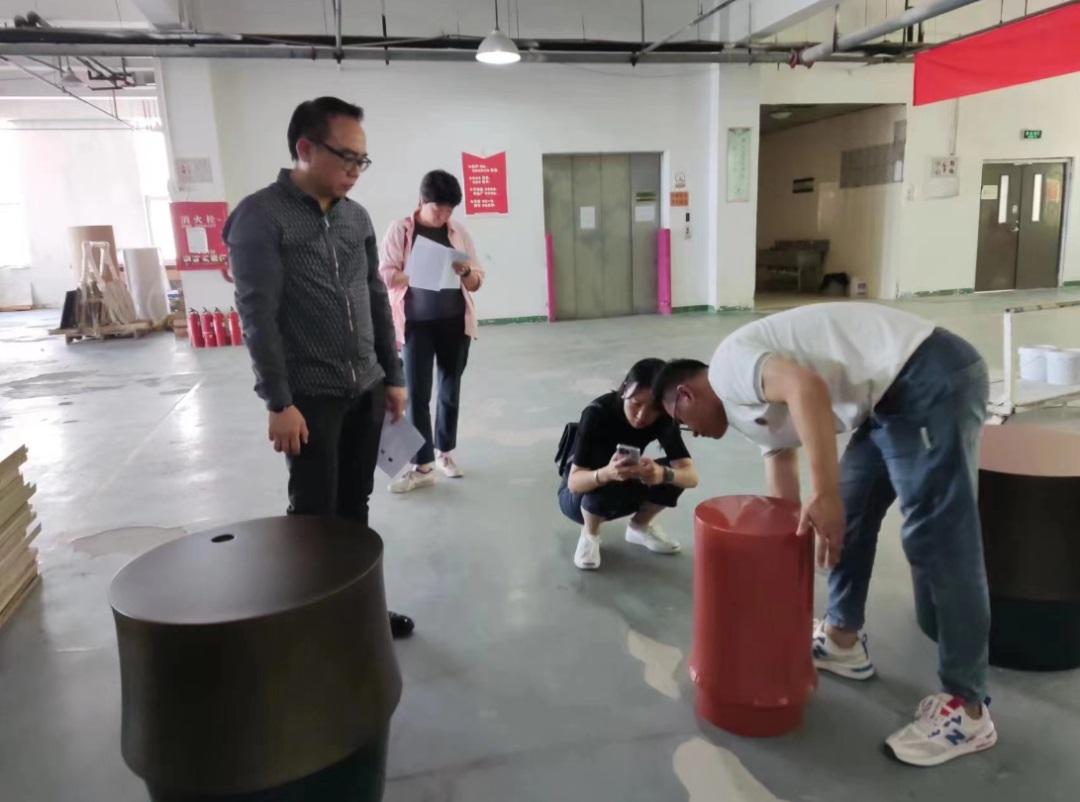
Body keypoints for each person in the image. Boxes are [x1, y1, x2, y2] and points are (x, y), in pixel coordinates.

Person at [652, 302, 995, 766]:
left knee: (939, 540)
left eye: (680, 423)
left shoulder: (729, 367)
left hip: (927, 374)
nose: (689, 434)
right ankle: (842, 639)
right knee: (847, 519)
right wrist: (781, 565)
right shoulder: (747, 413)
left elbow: (806, 387)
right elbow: (783, 483)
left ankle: (967, 708)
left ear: (685, 396)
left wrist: (825, 493)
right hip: (886, 401)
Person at [225, 96, 414, 639]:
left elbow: (375, 297)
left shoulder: (357, 217)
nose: (355, 170)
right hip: (309, 398)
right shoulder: (260, 217)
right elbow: (257, 315)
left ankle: (356, 611)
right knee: (313, 515)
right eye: (346, 157)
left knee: (356, 504)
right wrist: (279, 402)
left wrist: (393, 375)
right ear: (305, 149)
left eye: (362, 160)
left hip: (366, 387)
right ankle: (311, 626)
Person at [378, 170, 484, 494]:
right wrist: (419, 273)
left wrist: (465, 271)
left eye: (450, 211)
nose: (444, 216)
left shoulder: (458, 232)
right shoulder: (400, 230)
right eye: (438, 209)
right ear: (422, 201)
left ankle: (445, 452)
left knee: (450, 390)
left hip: (454, 323)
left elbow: (476, 281)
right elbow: (385, 275)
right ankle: (422, 465)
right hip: (416, 325)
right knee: (417, 394)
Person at [560, 358, 699, 571]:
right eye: (636, 403)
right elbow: (574, 482)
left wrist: (663, 474)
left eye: (653, 408)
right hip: (577, 498)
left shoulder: (663, 418)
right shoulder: (597, 413)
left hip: (621, 483)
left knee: (673, 474)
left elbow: (691, 477)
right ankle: (589, 534)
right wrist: (606, 473)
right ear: (624, 390)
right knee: (608, 480)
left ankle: (639, 527)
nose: (643, 415)